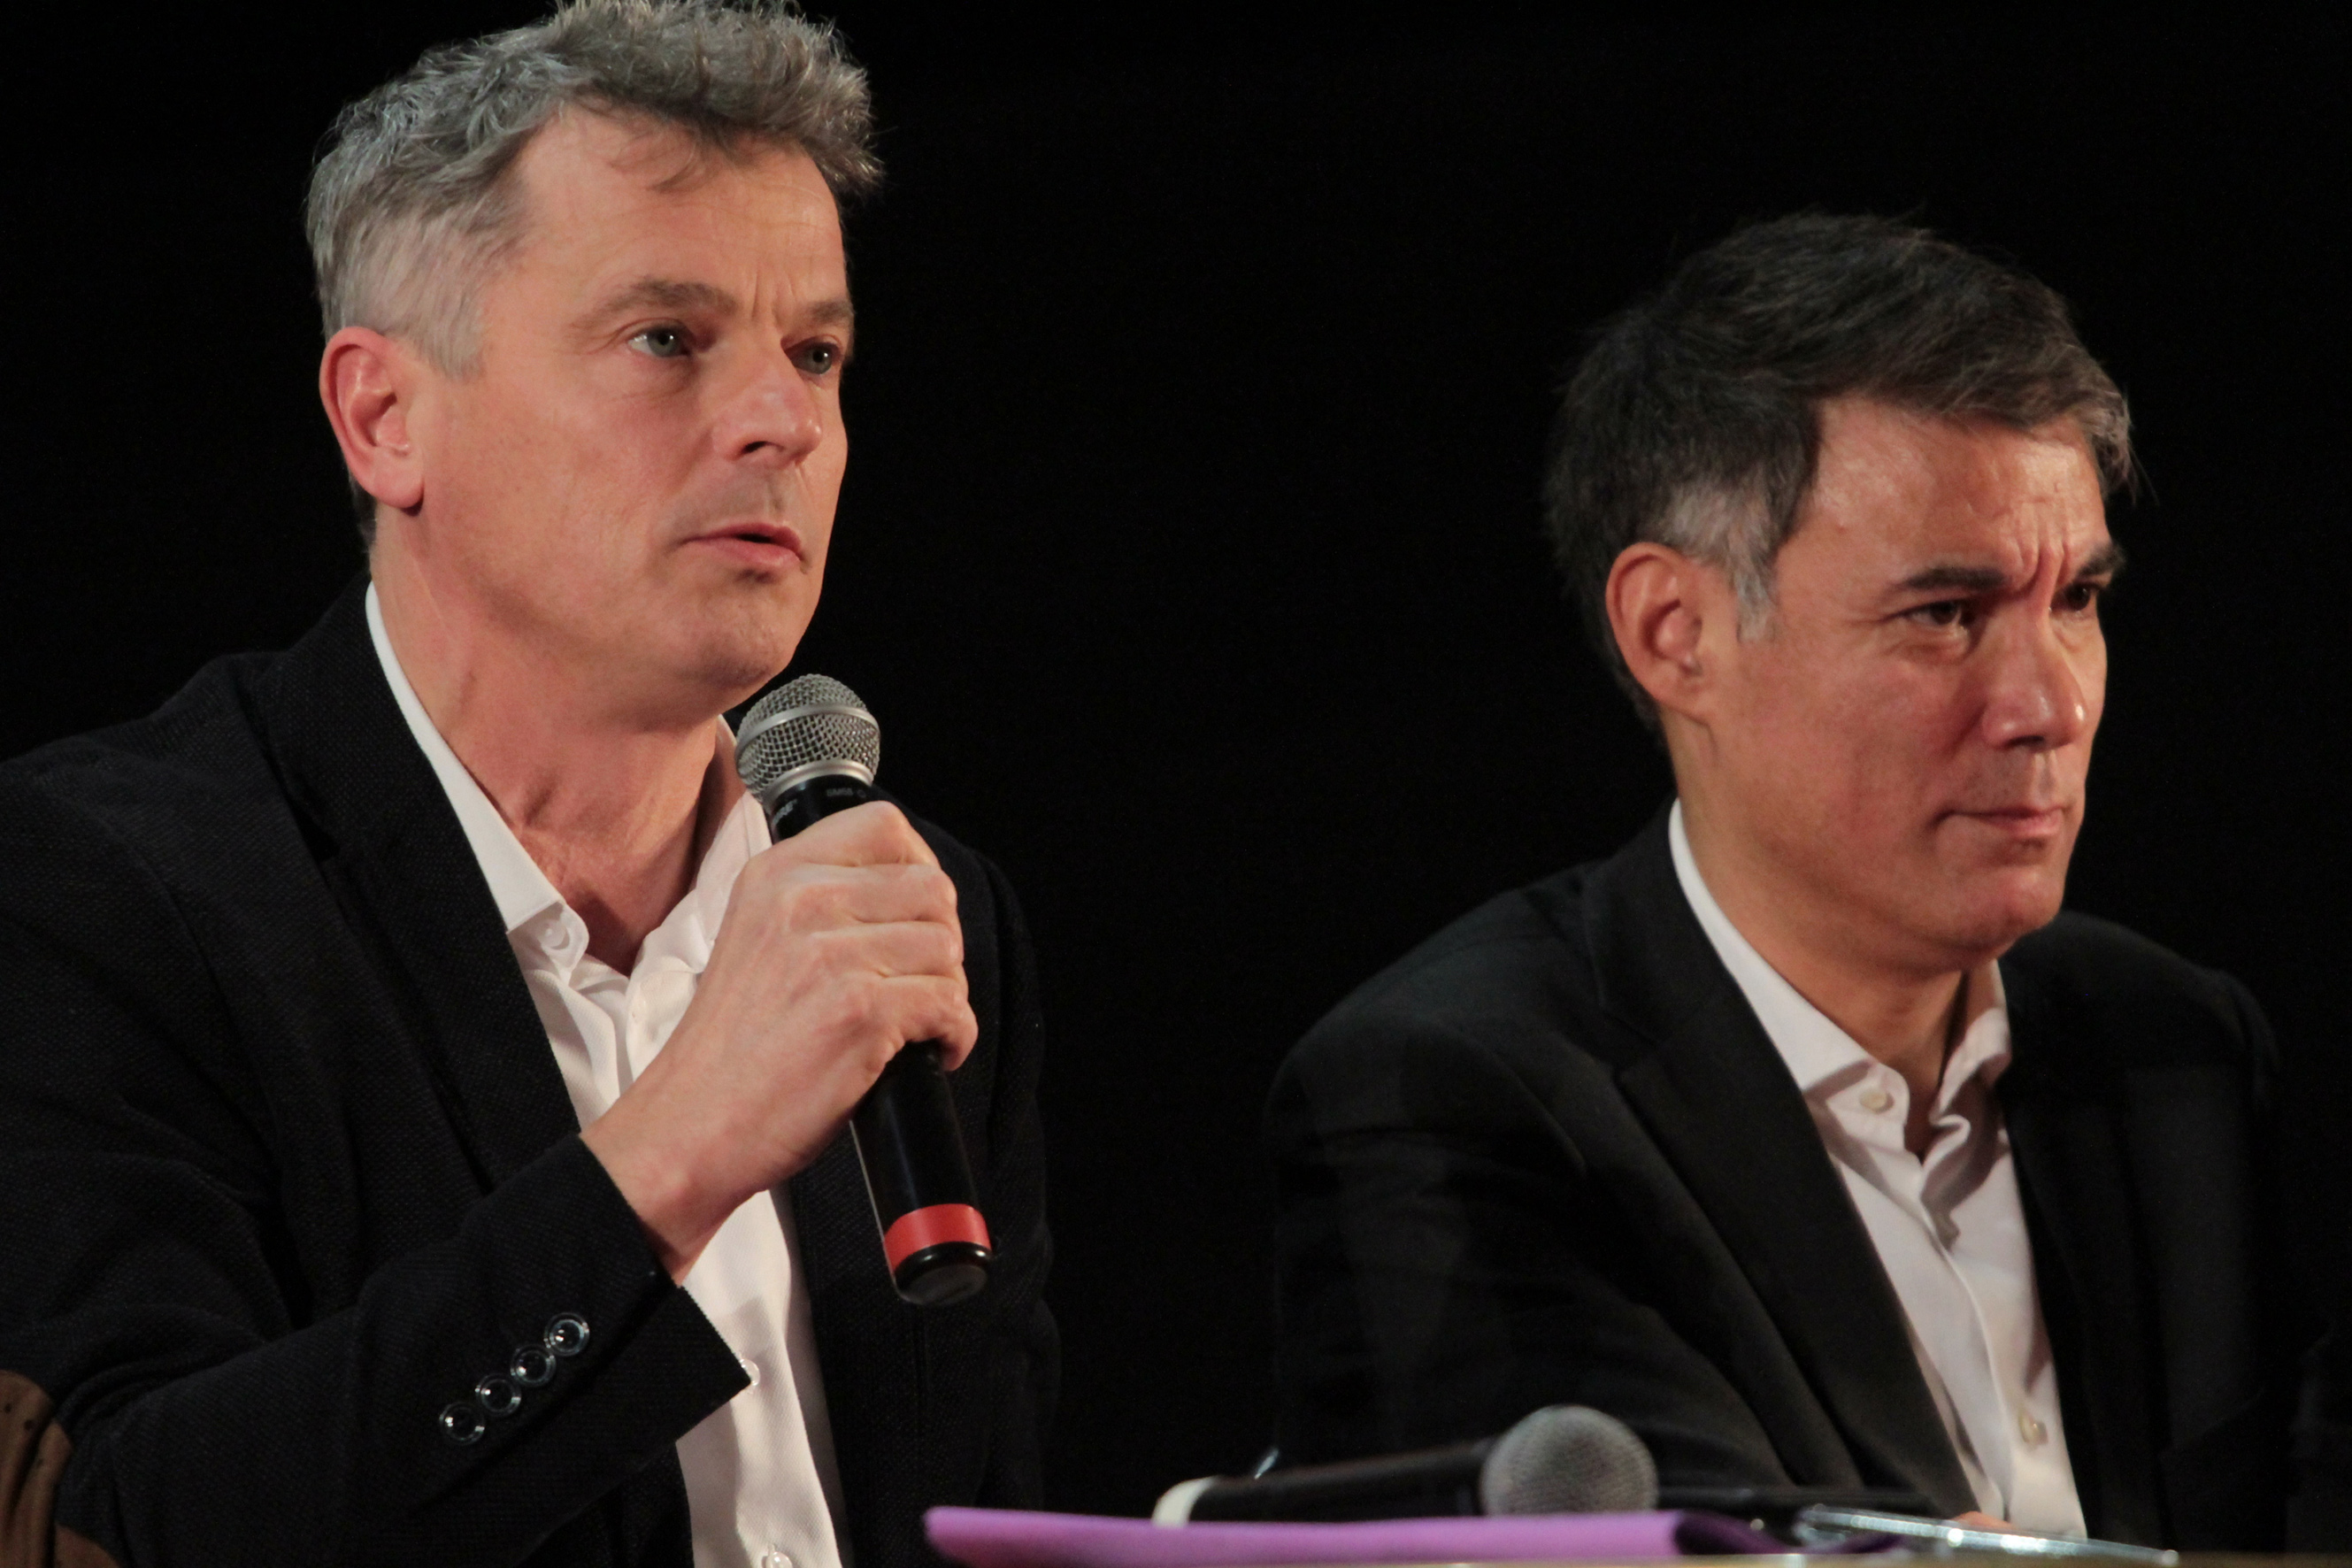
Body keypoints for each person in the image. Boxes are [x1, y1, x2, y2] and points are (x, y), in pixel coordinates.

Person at [0, 4, 1052, 1565]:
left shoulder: (906, 915)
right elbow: (128, 1525)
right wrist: (671, 1156)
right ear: (385, 417)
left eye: (815, 353)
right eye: (666, 339)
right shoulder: (106, 891)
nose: (782, 422)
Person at [1266, 213, 2301, 1549]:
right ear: (1676, 633)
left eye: (2076, 601)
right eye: (1944, 615)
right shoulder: (1453, 1102)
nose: (2048, 705)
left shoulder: (2183, 1053)